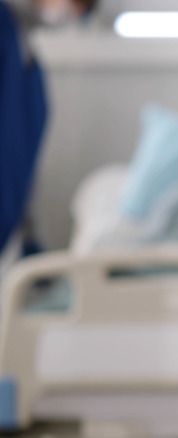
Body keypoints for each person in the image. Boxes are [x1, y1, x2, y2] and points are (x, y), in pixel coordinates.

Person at [0, 0, 98, 269]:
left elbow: (22, 158)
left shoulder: (26, 53)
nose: (67, 17)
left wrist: (31, 236)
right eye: (73, 6)